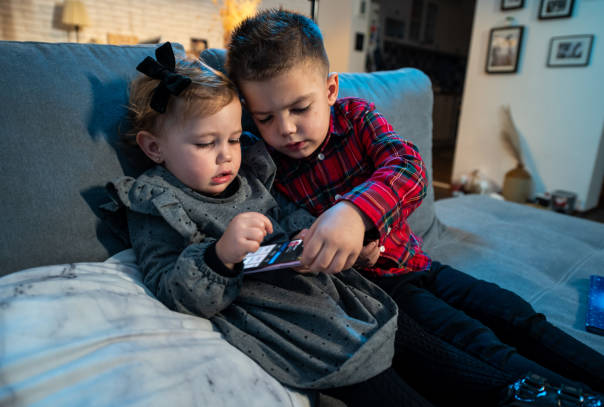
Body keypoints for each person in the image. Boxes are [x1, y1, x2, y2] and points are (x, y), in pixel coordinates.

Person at [225, 9, 604, 406]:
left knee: (517, 315)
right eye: (266, 117)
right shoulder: (262, 163)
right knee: (476, 342)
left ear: (331, 90)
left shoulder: (356, 118)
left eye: (301, 108)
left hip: (419, 262)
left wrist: (355, 213)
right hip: (384, 292)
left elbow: (407, 167)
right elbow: (277, 238)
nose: (285, 128)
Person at [104, 41, 458, 406]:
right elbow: (169, 287)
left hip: (334, 292)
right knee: (384, 387)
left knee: (433, 354)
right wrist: (219, 255)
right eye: (206, 144)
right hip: (290, 323)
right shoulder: (155, 202)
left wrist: (310, 232)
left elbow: (286, 214)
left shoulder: (249, 173)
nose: (226, 155)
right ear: (154, 148)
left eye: (234, 139)